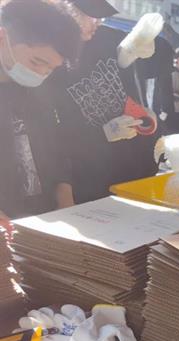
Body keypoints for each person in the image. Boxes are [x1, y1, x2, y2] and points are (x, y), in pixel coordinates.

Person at [40, 0, 160, 205]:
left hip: (134, 163)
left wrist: (147, 49)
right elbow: (56, 135)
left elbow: (146, 70)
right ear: (67, 11)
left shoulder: (108, 37)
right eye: (89, 15)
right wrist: (103, 133)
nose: (97, 22)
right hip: (91, 175)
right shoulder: (52, 57)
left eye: (100, 16)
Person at [0, 0, 81, 220]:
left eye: (51, 68)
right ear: (2, 38)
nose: (41, 73)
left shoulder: (41, 90)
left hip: (43, 219)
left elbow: (57, 149)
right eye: (36, 62)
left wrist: (65, 197)